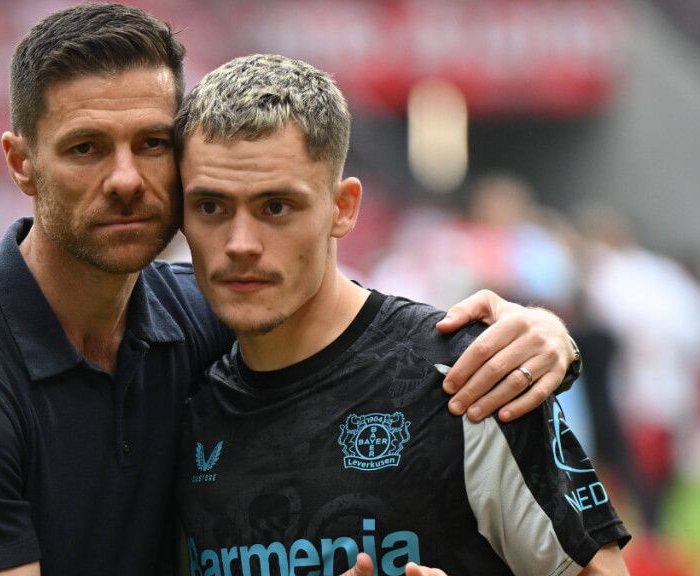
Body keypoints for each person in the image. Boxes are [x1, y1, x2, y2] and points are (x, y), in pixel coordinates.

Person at [0, 5, 581, 575]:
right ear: (20, 162)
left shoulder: (198, 318)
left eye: (151, 144)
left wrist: (539, 332)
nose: (128, 180)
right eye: (86, 149)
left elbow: (341, 320)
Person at [174, 54, 628, 576]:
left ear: (342, 208)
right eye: (211, 207)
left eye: (276, 207)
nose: (240, 244)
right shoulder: (183, 399)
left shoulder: (471, 377)